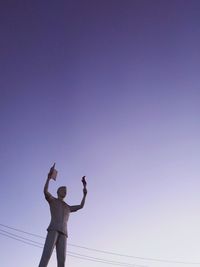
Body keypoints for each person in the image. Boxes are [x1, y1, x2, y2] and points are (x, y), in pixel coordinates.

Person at [38, 164, 87, 267]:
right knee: (46, 256)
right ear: (58, 192)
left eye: (66, 191)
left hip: (64, 233)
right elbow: (45, 192)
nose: (64, 192)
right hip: (53, 229)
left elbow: (81, 206)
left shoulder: (67, 207)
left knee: (62, 261)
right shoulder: (53, 200)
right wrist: (48, 179)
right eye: (63, 190)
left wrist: (84, 194)